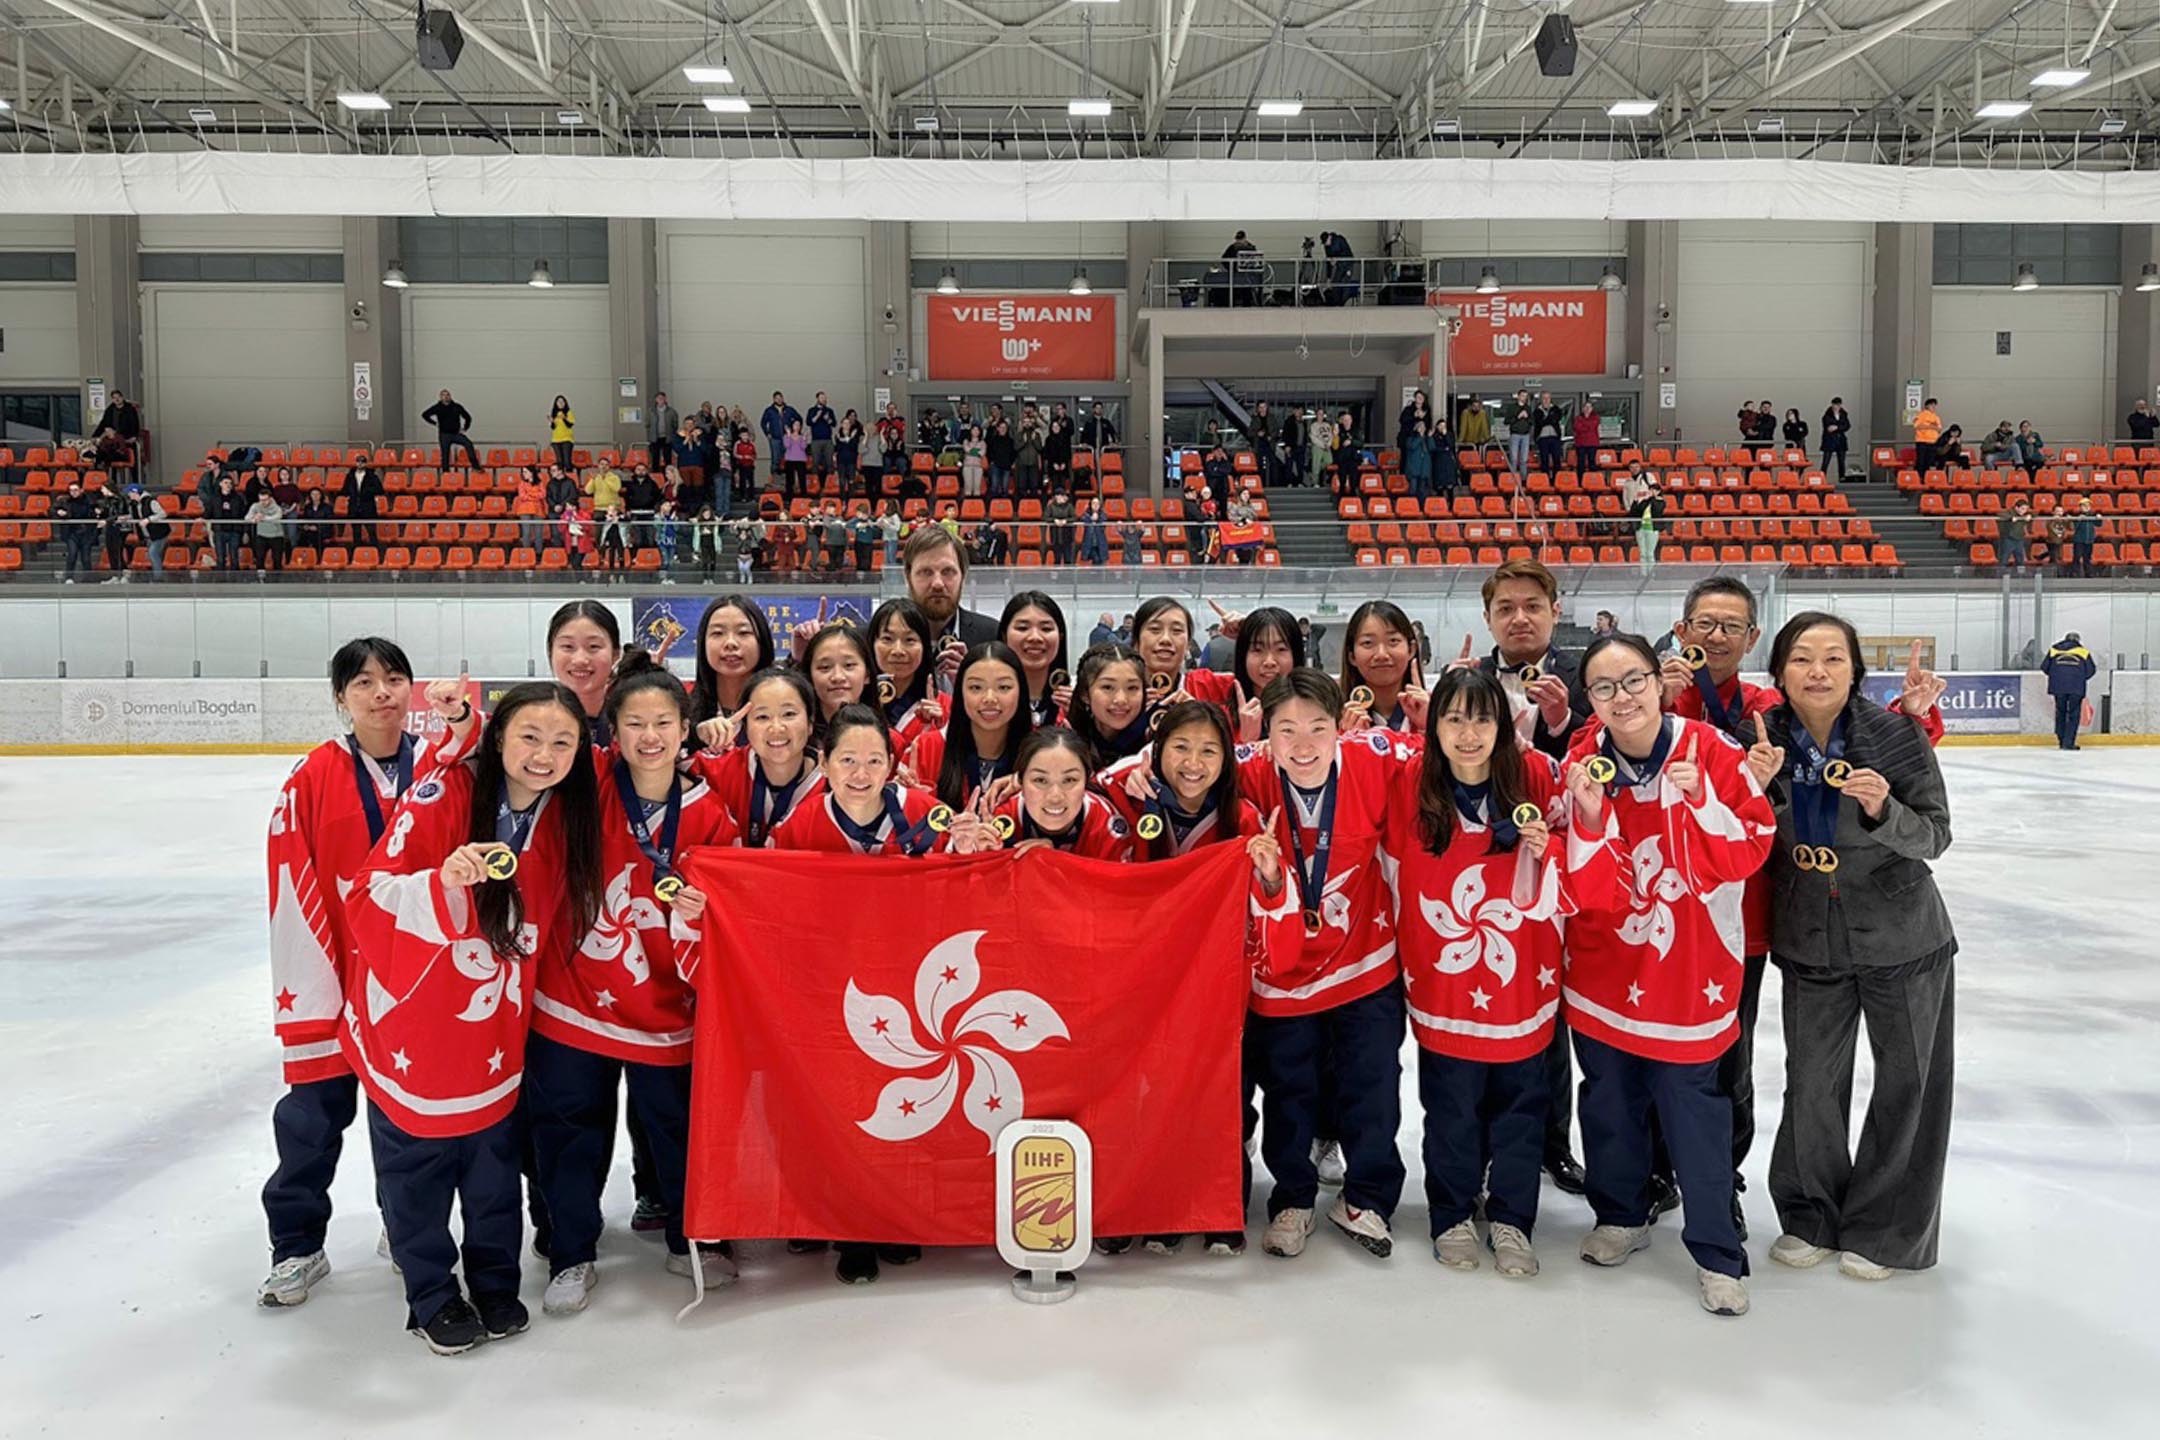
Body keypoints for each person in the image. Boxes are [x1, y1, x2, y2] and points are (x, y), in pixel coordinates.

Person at [345, 681, 603, 1354]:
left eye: (562, 742)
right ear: (497, 739)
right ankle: (431, 1295)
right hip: (418, 1022)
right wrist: (443, 883)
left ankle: (494, 1283)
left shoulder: (565, 816)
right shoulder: (445, 794)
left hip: (494, 1028)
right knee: (418, 1174)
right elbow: (371, 894)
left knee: (492, 1172)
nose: (544, 755)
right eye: (528, 737)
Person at [256, 639, 479, 1309]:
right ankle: (296, 1245)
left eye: (393, 678)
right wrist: (313, 981)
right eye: (362, 682)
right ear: (339, 697)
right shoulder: (312, 777)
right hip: (338, 971)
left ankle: (401, 1219)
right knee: (312, 1117)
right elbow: (294, 880)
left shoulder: (441, 767)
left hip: (414, 978)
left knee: (404, 1116)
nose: (381, 692)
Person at [1563, 633, 1776, 1317]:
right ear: (1589, 700)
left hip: (1691, 968)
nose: (1620, 698)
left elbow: (1750, 848)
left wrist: (1705, 805)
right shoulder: (1582, 762)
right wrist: (1590, 817)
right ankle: (1621, 1214)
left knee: (1695, 1112)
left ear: (1659, 683)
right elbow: (1583, 883)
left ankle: (1717, 1251)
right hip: (1604, 963)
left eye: (1632, 681)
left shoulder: (1711, 751)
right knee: (1609, 1100)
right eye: (1603, 687)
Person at [527, 654, 741, 1319]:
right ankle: (571, 1252)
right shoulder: (583, 783)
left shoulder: (709, 810)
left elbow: (734, 897)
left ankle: (692, 1235)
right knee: (570, 1129)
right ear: (611, 731)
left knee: (675, 1126)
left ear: (685, 729)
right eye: (635, 723)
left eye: (663, 723)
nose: (650, 737)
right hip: (575, 997)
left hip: (667, 1006)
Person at [1756, 612, 1956, 1281]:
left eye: (1833, 659)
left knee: (1908, 1084)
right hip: (1809, 933)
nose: (1818, 672)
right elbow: (1730, 832)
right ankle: (1810, 1214)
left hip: (1901, 935)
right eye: (1803, 658)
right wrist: (1749, 791)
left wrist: (1883, 812)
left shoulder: (1896, 735)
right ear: (1780, 671)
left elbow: (1934, 836)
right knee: (1810, 1083)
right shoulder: (1760, 740)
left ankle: (1887, 1230)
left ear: (1854, 671)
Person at [1390, 667, 1579, 1277]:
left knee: (1523, 1107)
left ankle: (1512, 1218)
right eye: (1453, 718)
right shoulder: (1408, 784)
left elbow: (1581, 862)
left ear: (1504, 725)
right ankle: (1450, 1210)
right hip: (1443, 982)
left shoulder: (1538, 777)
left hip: (1524, 980)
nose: (1468, 733)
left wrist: (1550, 847)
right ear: (1432, 725)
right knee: (1450, 1106)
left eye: (1482, 718)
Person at [1234, 668, 1415, 1260]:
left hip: (1365, 960)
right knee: (1290, 1089)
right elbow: (1159, 767)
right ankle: (1292, 1197)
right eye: (1287, 730)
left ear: (1341, 727)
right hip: (1283, 973)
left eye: (1317, 728)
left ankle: (1367, 1197)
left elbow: (1457, 749)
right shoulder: (1249, 770)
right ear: (1267, 735)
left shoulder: (1376, 755)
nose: (1303, 745)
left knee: (1374, 1085)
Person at [904, 642, 1033, 812]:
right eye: (976, 687)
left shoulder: (1041, 754)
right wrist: (914, 804)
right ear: (960, 693)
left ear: (1021, 692)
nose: (989, 698)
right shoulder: (925, 748)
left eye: (1003, 687)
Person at [903, 524, 1000, 670]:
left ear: (963, 576)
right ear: (907, 577)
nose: (937, 584)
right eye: (926, 572)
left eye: (948, 571)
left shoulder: (993, 637)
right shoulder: (873, 643)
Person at [1339, 599, 1426, 735]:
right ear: (1352, 656)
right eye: (1368, 643)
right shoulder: (1332, 720)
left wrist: (1430, 728)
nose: (1381, 654)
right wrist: (1349, 744)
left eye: (1393, 641)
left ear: (1411, 649)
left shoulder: (1437, 712)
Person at [1001, 592, 1072, 729]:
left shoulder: (1075, 704)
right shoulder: (988, 700)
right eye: (1022, 628)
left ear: (1060, 637)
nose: (1035, 637)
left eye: (1046, 628)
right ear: (1004, 636)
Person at [2042, 631, 2097, 750]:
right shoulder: (2083, 652)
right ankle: (2069, 742)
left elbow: (2044, 667)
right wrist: (2079, 678)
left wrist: (2056, 676)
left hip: (2058, 686)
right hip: (2076, 687)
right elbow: (2091, 670)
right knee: (2074, 714)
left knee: (2060, 712)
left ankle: (2061, 740)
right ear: (2078, 640)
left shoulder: (2054, 650)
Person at [54, 478, 100, 582]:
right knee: (72, 554)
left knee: (86, 558)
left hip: (86, 533)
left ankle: (88, 579)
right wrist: (59, 512)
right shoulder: (64, 500)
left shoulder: (89, 500)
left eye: (75, 490)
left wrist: (97, 512)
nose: (73, 493)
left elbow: (96, 510)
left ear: (81, 490)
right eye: (71, 490)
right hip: (71, 533)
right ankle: (69, 578)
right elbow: (53, 510)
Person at [421, 389, 479, 470]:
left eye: (447, 395)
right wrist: (434, 423)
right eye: (443, 395)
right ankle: (445, 474)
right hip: (444, 435)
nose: (446, 397)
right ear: (440, 397)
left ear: (450, 396)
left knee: (468, 444)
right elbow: (424, 415)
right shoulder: (437, 407)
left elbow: (468, 417)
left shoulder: (457, 407)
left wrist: (465, 428)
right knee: (445, 455)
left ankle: (475, 466)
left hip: (456, 433)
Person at [207, 474, 248, 571]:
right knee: (220, 558)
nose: (228, 485)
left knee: (234, 557)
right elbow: (209, 514)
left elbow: (244, 515)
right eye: (226, 483)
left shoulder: (238, 498)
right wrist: (209, 531)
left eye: (230, 483)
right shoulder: (214, 498)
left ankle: (235, 581)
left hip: (234, 531)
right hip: (219, 530)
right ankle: (220, 582)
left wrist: (245, 531)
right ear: (220, 484)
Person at [760, 391, 800, 484]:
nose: (779, 399)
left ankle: (788, 482)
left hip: (788, 439)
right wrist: (767, 433)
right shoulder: (769, 410)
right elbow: (763, 423)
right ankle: (774, 482)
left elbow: (799, 419)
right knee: (775, 460)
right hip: (775, 438)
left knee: (788, 460)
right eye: (777, 398)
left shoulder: (789, 409)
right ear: (774, 399)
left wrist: (794, 431)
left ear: (783, 398)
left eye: (780, 397)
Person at [247, 490, 289, 575]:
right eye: (261, 500)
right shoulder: (255, 506)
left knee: (277, 560)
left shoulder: (277, 507)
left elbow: (277, 517)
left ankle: (277, 581)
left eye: (265, 500)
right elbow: (247, 517)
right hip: (262, 536)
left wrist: (263, 517)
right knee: (259, 559)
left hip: (276, 536)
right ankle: (260, 580)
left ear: (270, 498)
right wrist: (254, 518)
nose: (263, 502)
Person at [1631, 474, 1666, 573]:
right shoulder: (1646, 501)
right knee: (1642, 553)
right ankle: (1643, 573)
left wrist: (1652, 498)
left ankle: (1651, 573)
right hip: (1641, 528)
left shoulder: (1660, 502)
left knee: (1650, 553)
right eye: (1650, 490)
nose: (1651, 492)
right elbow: (1634, 511)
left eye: (1654, 490)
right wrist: (1636, 501)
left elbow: (1657, 510)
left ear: (1658, 492)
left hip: (1652, 529)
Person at [1532, 391, 1566, 477]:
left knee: (1557, 459)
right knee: (1544, 460)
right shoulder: (1537, 411)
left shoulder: (1556, 409)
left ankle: (1557, 479)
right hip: (1542, 438)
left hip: (1554, 437)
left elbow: (1556, 419)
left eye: (1548, 398)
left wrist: (1545, 419)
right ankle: (1545, 480)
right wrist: (1550, 419)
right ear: (1541, 399)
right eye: (1544, 398)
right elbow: (1539, 423)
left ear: (1551, 399)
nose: (1546, 400)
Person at [805, 391, 837, 481]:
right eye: (822, 398)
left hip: (827, 440)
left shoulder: (829, 411)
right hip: (816, 440)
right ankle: (815, 483)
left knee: (829, 463)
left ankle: (829, 484)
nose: (824, 399)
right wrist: (817, 416)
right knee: (815, 463)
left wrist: (828, 419)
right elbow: (809, 422)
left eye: (825, 398)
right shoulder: (811, 410)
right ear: (817, 399)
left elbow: (834, 423)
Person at [1502, 390, 1534, 478]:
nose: (1524, 398)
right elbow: (1506, 421)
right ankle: (1513, 479)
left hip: (1526, 435)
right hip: (1515, 434)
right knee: (1514, 459)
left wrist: (1527, 418)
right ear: (1518, 396)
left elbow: (1532, 422)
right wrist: (1517, 417)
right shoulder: (1511, 408)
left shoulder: (1528, 408)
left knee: (1524, 459)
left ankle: (1523, 479)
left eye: (1526, 396)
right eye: (1523, 396)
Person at [1819, 398, 1853, 479]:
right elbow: (1829, 427)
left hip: (1840, 440)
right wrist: (1839, 426)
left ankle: (1842, 478)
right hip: (1829, 440)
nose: (1836, 407)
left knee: (1841, 461)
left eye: (1838, 405)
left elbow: (1847, 426)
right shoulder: (1827, 415)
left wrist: (1837, 427)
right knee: (1825, 461)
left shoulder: (1844, 414)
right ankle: (1822, 478)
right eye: (1834, 405)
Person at [648, 391, 680, 470]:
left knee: (667, 458)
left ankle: (668, 475)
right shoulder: (650, 411)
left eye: (662, 398)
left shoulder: (672, 411)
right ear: (656, 400)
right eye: (659, 398)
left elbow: (675, 425)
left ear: (665, 399)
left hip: (667, 438)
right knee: (655, 459)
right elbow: (647, 424)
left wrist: (671, 433)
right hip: (655, 438)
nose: (660, 400)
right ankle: (656, 476)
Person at [2000, 497, 2033, 570]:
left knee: (2020, 560)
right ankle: (2000, 576)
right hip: (2008, 539)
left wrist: (2030, 516)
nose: (2024, 511)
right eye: (2022, 509)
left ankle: (2020, 577)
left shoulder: (2025, 514)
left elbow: (2035, 514)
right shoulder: (2009, 512)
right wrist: (2011, 518)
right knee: (2004, 559)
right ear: (2016, 508)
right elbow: (2001, 514)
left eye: (2025, 509)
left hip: (2019, 539)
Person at [1912, 397, 1943, 474]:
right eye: (1931, 405)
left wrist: (1929, 426)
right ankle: (1919, 477)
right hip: (1922, 441)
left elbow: (1939, 429)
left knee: (1929, 462)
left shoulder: (1936, 417)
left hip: (1932, 442)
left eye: (1934, 405)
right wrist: (1931, 426)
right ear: (1927, 406)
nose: (1933, 407)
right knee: (1921, 462)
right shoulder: (1921, 415)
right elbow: (1917, 426)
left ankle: (1926, 478)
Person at [2070, 498, 2099, 575]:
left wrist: (2098, 518)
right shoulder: (2076, 515)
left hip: (2089, 540)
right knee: (2077, 556)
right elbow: (2073, 527)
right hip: (2079, 540)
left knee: (2087, 557)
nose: (2087, 507)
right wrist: (2078, 519)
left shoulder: (2092, 515)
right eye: (2084, 505)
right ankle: (2074, 572)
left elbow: (2098, 524)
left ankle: (2089, 572)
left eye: (2088, 505)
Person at [1571, 401, 1600, 475]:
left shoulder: (1596, 417)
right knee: (1580, 463)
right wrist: (1587, 425)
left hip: (1592, 443)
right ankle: (1580, 481)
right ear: (1582, 409)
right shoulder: (1577, 418)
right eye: (1585, 407)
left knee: (1592, 462)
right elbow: (1577, 428)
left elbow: (1592, 426)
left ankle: (1593, 480)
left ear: (1592, 409)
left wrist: (1583, 424)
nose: (1587, 409)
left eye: (1589, 407)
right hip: (1580, 444)